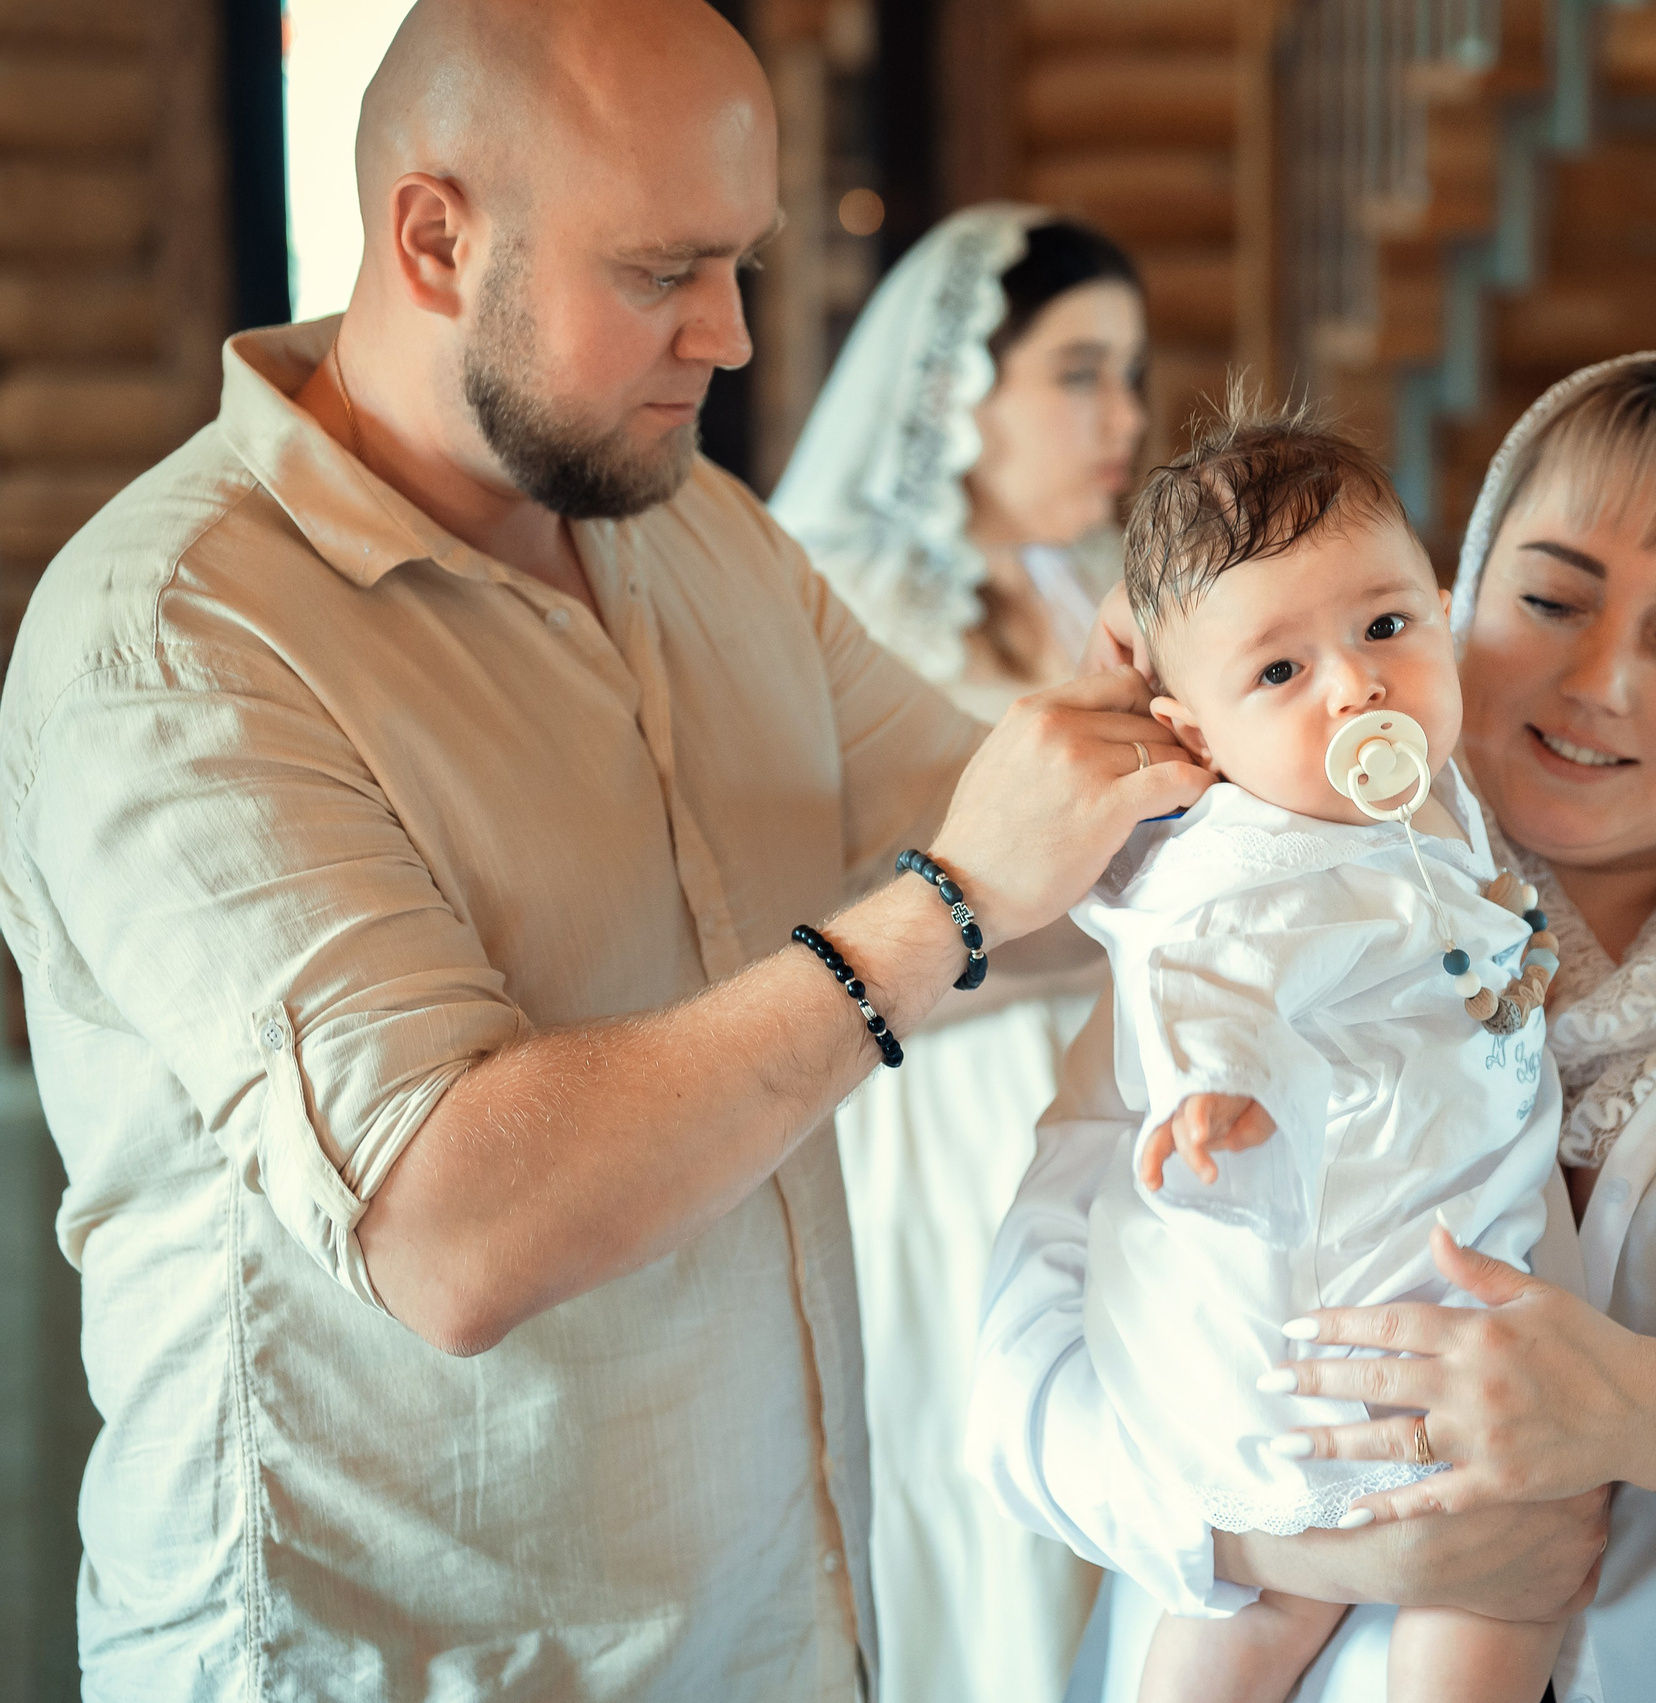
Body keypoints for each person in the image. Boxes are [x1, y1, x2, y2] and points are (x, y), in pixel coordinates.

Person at [0, 3, 1206, 1697]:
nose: (729, 334)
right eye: (661, 272)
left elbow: (1053, 862)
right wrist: (945, 907)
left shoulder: (699, 530)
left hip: (779, 1625)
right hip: (412, 1664)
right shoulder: (176, 642)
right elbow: (453, 1230)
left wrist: (1285, 730)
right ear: (436, 239)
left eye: (742, 265)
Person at [969, 352, 1656, 1701]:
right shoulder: (1263, 896)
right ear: (1462, 597)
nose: (1598, 679)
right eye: (1551, 600)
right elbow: (1019, 1393)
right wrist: (1312, 1551)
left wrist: (1655, 1415)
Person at [1078, 404, 1571, 1703]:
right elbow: (1207, 975)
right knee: (1318, 1587)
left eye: (1385, 626)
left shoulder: (1432, 794)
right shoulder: (1253, 863)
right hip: (1343, 1300)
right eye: (1280, 673)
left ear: (1445, 613)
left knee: (1503, 1573)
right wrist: (1220, 1089)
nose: (1356, 687)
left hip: (1451, 1251)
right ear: (1197, 737)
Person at [768, 204, 1146, 1703]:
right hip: (943, 1113)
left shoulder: (1093, 591)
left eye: (1131, 375)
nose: (1123, 419)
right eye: (1078, 373)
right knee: (983, 1500)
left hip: (1118, 1089)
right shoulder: (838, 603)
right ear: (954, 390)